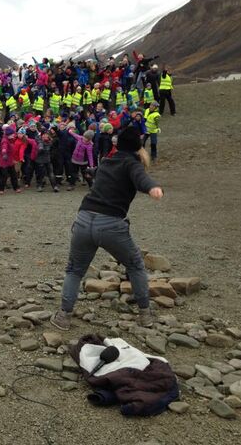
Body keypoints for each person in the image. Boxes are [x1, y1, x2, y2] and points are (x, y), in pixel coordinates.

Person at [50, 126, 164, 331]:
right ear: (138, 147)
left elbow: (100, 174)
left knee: (74, 271)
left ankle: (63, 317)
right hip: (111, 225)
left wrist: (90, 173)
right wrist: (152, 188)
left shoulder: (106, 161)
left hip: (84, 219)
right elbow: (141, 177)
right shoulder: (132, 163)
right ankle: (145, 315)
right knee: (136, 265)